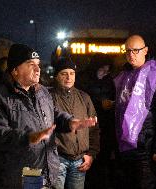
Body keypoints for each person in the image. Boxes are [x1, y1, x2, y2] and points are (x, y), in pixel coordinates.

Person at [0, 44, 97, 189]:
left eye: (38, 64)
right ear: (15, 70)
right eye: (31, 64)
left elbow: (54, 114)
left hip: (45, 170)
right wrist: (27, 137)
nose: (37, 69)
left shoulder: (41, 92)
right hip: (21, 172)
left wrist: (70, 122)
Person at [114, 35, 156, 189]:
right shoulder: (124, 75)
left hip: (147, 147)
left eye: (136, 50)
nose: (131, 54)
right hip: (127, 146)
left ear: (145, 50)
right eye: (127, 51)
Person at [49, 58, 100, 189]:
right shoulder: (48, 97)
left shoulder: (84, 97)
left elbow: (94, 129)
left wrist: (91, 154)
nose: (68, 77)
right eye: (63, 73)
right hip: (57, 160)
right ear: (56, 76)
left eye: (72, 73)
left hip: (79, 161)